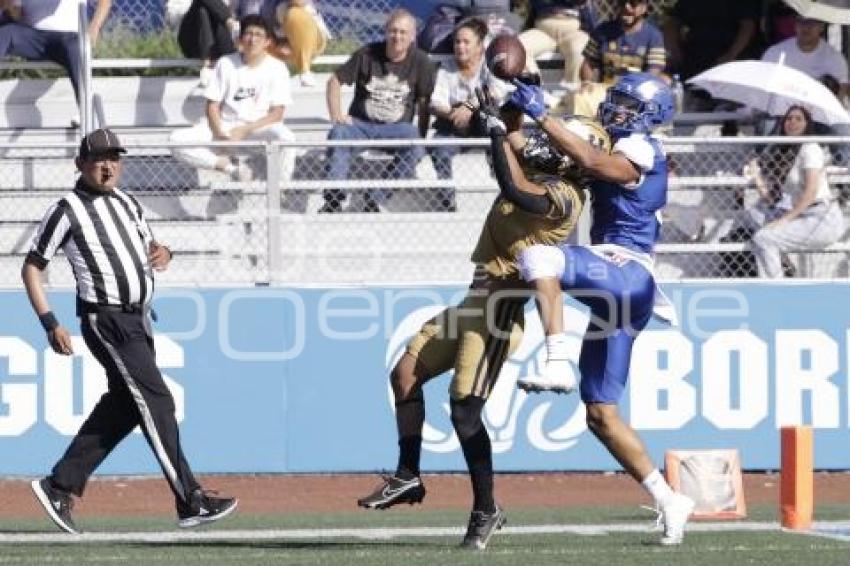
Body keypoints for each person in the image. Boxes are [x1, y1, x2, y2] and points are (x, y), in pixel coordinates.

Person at [356, 88, 592, 550]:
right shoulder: (540, 171)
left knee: (465, 411)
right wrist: (492, 113)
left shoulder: (567, 195)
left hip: (499, 311)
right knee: (404, 375)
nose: (551, 148)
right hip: (472, 301)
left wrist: (497, 129)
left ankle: (486, 508)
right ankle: (408, 475)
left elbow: (512, 185)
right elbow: (510, 149)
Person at [505, 72, 695, 545]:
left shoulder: (643, 148)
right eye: (617, 101)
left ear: (651, 114)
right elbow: (531, 157)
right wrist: (504, 116)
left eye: (628, 104)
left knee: (539, 256)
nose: (617, 109)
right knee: (601, 414)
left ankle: (555, 359)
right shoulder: (617, 144)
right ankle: (670, 498)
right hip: (623, 289)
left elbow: (589, 156)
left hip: (626, 271)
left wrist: (543, 113)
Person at [23, 128, 238, 535]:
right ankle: (190, 498)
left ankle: (59, 485)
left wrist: (165, 253)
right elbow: (33, 266)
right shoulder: (67, 209)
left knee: (124, 406)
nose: (108, 166)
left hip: (138, 319)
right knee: (158, 401)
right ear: (81, 164)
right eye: (99, 159)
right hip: (107, 319)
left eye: (114, 159)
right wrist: (49, 321)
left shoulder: (127, 202)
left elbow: (152, 247)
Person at [320, 9, 436, 213]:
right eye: (393, 31)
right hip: (361, 125)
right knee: (338, 133)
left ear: (412, 36)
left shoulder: (421, 61)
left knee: (416, 145)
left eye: (403, 32)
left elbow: (424, 101)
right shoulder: (367, 54)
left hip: (397, 129)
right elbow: (334, 81)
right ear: (385, 32)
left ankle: (375, 198)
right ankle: (334, 199)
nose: (397, 36)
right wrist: (336, 116)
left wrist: (422, 135)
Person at [170, 14, 296, 183]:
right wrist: (220, 134)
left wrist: (244, 130)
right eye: (248, 34)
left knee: (286, 137)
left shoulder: (277, 68)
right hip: (225, 127)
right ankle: (231, 169)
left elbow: (277, 114)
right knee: (176, 139)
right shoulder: (226, 63)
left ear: (267, 42)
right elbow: (212, 105)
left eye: (258, 35)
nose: (252, 39)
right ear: (240, 39)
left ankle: (281, 188)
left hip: (256, 130)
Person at [725, 105, 844, 278]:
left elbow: (811, 193)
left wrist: (784, 220)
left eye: (798, 119)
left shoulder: (810, 148)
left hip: (822, 218)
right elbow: (772, 200)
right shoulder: (787, 154)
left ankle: (777, 289)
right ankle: (778, 279)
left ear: (806, 125)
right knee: (754, 216)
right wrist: (757, 175)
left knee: (765, 238)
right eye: (789, 118)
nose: (792, 122)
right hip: (804, 217)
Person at [428, 17, 508, 211]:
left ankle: (503, 188)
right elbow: (436, 102)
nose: (460, 46)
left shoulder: (489, 64)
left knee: (490, 116)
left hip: (483, 123)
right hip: (454, 125)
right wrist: (455, 114)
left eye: (466, 42)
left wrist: (470, 107)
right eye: (457, 41)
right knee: (439, 146)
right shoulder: (447, 67)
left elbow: (498, 91)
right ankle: (447, 200)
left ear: (480, 46)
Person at [0, 0, 112, 105]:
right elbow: (17, 15)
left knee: (76, 49)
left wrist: (95, 26)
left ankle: (87, 114)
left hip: (67, 38)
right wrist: (9, 5)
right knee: (7, 32)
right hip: (33, 37)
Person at [570, 0, 665, 118]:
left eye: (633, 3)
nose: (626, 7)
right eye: (622, 3)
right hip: (606, 89)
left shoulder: (653, 36)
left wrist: (636, 93)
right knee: (582, 97)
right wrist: (587, 83)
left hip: (637, 92)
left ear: (644, 8)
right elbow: (588, 63)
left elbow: (654, 70)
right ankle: (583, 131)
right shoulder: (602, 31)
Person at [663, 0, 762, 111]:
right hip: (695, 64)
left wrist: (731, 54)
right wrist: (674, 49)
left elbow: (748, 26)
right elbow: (672, 23)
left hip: (732, 67)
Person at [761, 15, 848, 101]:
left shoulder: (835, 59)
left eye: (812, 22)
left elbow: (840, 97)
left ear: (822, 27)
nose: (806, 27)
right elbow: (761, 89)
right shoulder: (775, 53)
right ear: (795, 25)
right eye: (801, 21)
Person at [518, 0, 597, 90]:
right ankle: (534, 89)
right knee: (519, 47)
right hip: (543, 31)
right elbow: (527, 12)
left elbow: (592, 25)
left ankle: (572, 90)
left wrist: (585, 5)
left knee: (580, 48)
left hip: (571, 30)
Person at [177, 0, 239, 92]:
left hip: (224, 41)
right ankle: (230, 22)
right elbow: (173, 15)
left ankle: (207, 65)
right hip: (194, 40)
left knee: (205, 9)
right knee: (202, 7)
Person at [273, 0, 331, 87]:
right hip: (272, 42)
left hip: (309, 41)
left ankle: (305, 70)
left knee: (294, 14)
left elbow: (298, 2)